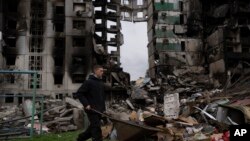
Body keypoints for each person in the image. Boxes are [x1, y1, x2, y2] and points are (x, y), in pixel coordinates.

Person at [77, 65, 105, 141]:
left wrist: (103, 109)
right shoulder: (88, 82)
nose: (102, 72)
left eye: (103, 71)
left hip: (99, 110)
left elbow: (101, 97)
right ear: (95, 71)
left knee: (93, 127)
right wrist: (86, 104)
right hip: (91, 109)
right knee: (96, 128)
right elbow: (79, 93)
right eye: (100, 71)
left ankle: (80, 138)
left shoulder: (101, 83)